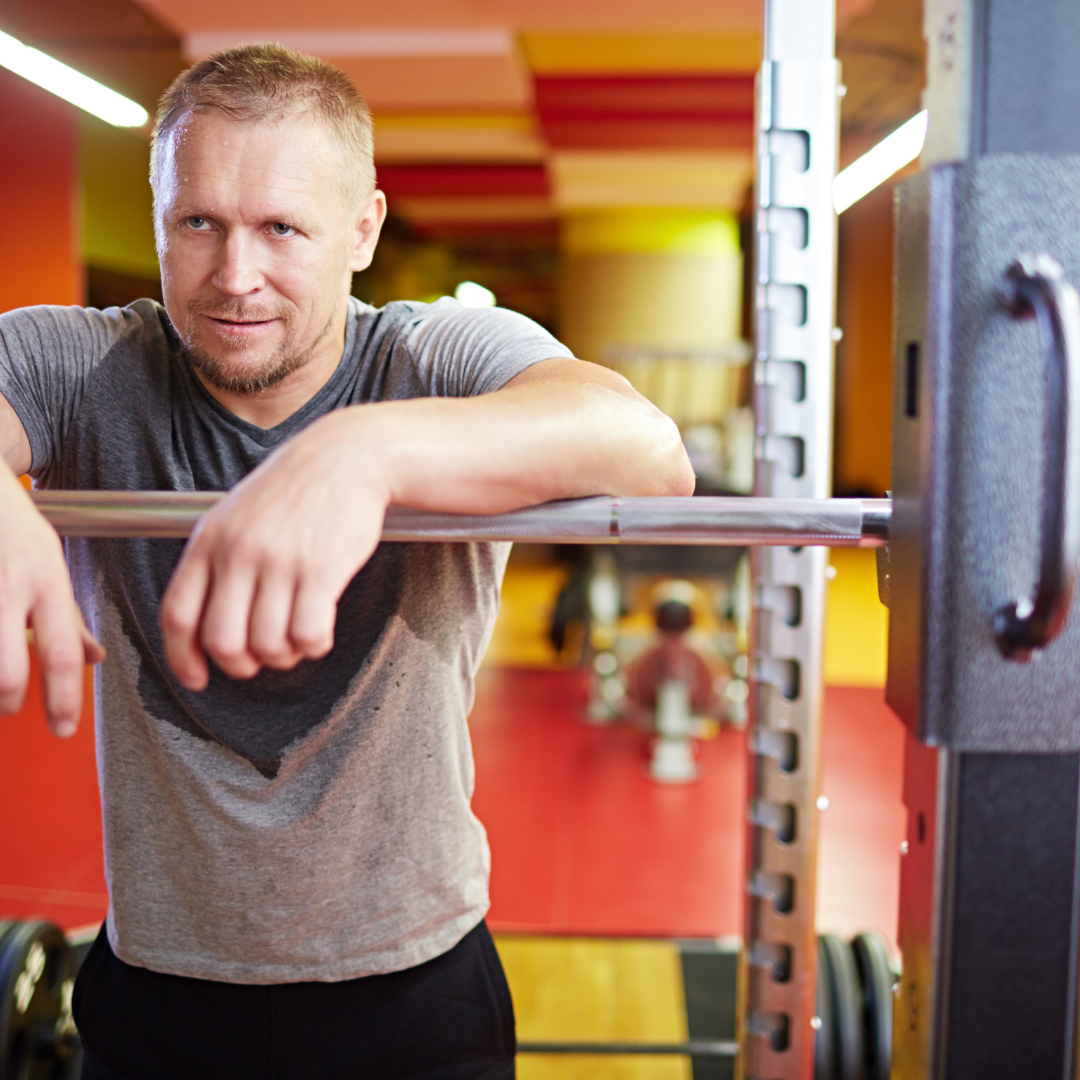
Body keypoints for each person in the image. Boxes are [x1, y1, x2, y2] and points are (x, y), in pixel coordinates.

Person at [0, 44, 694, 1079]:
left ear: (362, 229)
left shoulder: (432, 357)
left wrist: (363, 450)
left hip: (417, 987)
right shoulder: (87, 365)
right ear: (158, 217)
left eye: (283, 227)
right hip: (158, 984)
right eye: (199, 224)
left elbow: (649, 450)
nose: (236, 276)